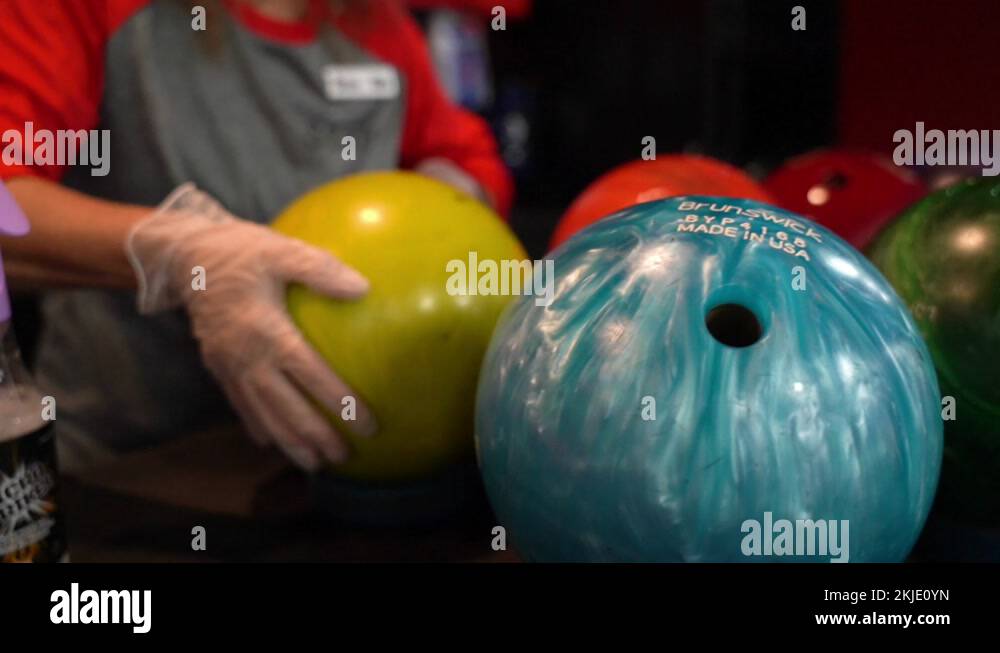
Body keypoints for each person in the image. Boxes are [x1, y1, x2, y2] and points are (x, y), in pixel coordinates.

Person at [0, 0, 512, 473]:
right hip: (130, 470)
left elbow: (464, 154)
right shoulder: (88, 11)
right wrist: (177, 254)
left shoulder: (377, 25)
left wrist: (454, 195)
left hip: (331, 465)